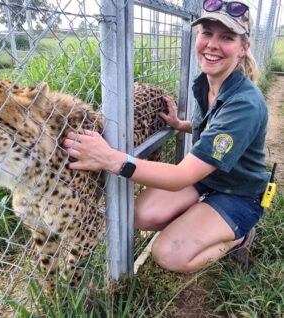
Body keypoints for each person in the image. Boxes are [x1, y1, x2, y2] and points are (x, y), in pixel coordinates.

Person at [63, 0, 269, 272]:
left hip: (240, 194)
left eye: (227, 38)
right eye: (207, 33)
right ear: (198, 36)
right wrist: (180, 124)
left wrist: (109, 158)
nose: (212, 44)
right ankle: (202, 220)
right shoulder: (208, 83)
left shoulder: (244, 104)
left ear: (243, 48)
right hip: (209, 179)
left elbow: (181, 176)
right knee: (140, 213)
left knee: (167, 252)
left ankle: (239, 236)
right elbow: (210, 128)